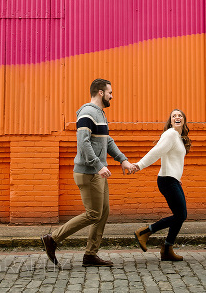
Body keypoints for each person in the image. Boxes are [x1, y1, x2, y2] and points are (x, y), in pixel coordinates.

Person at [42, 78, 136, 268]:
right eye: (110, 92)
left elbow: (107, 141)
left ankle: (90, 255)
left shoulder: (100, 114)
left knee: (103, 212)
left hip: (98, 172)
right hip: (89, 172)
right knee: (94, 214)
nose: (112, 96)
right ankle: (53, 238)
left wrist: (122, 160)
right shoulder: (87, 113)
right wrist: (98, 165)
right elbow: (83, 143)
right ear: (100, 93)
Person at [132, 109, 191, 261]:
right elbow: (156, 151)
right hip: (166, 180)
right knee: (181, 215)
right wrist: (139, 165)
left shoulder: (179, 137)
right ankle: (145, 232)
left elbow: (174, 161)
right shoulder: (170, 134)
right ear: (170, 121)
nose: (177, 117)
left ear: (183, 120)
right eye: (174, 116)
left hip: (173, 179)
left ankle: (167, 249)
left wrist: (178, 176)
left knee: (180, 215)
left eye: (180, 116)